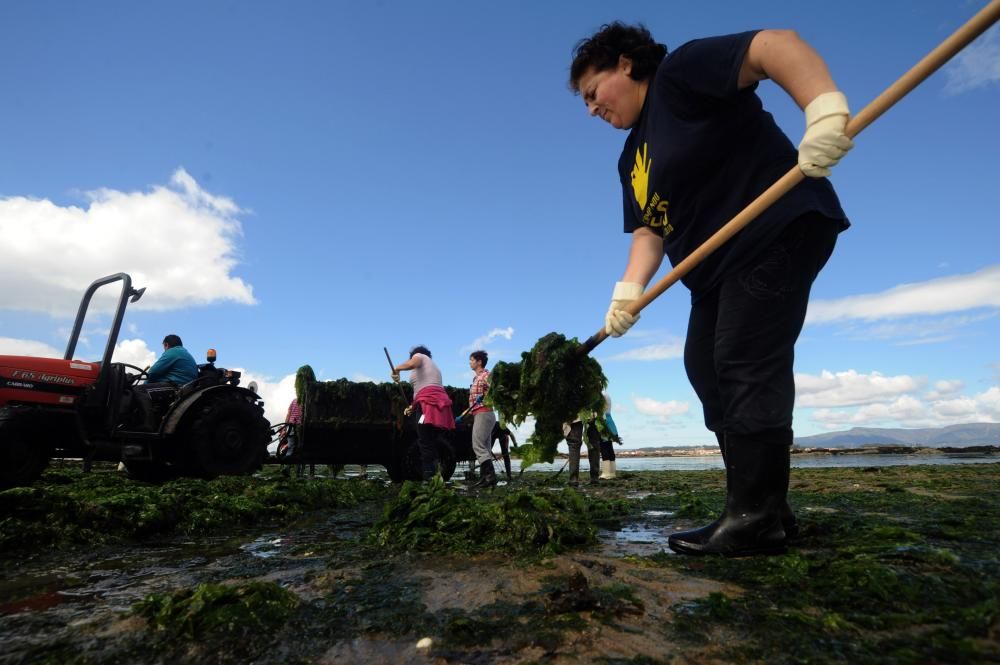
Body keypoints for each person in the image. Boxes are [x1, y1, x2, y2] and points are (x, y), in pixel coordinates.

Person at [569, 24, 851, 556]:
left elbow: (774, 46)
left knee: (742, 359)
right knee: (704, 365)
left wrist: (824, 108)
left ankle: (754, 517)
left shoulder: (680, 75)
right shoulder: (630, 160)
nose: (590, 110)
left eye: (591, 93)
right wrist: (626, 293)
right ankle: (768, 508)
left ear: (625, 65)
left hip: (775, 228)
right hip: (714, 270)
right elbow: (650, 233)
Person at [392, 346, 454, 480]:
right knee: (431, 440)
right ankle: (436, 475)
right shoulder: (433, 368)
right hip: (435, 405)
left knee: (424, 439)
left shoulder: (420, 356)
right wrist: (412, 407)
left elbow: (413, 363)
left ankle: (429, 477)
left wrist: (397, 369)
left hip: (428, 407)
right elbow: (422, 390)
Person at [467, 350, 498, 488]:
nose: (470, 362)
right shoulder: (476, 378)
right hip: (479, 413)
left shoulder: (486, 375)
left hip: (484, 413)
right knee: (484, 447)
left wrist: (487, 395)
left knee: (477, 445)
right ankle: (484, 478)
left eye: (472, 359)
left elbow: (495, 391)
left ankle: (490, 477)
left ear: (479, 361)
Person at [562, 418, 600, 484]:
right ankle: (594, 478)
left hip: (575, 413)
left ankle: (573, 479)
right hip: (593, 412)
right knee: (594, 443)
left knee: (574, 443)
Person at [598, 393, 621, 480]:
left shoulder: (601, 396)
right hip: (610, 421)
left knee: (604, 448)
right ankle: (612, 473)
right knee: (609, 448)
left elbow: (601, 411)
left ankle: (606, 473)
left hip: (604, 423)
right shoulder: (607, 395)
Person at [279, 397, 303, 478]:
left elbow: (288, 414)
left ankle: (287, 468)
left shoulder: (293, 400)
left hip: (290, 426)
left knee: (290, 447)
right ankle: (292, 471)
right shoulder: (304, 401)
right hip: (300, 427)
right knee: (298, 448)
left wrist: (285, 427)